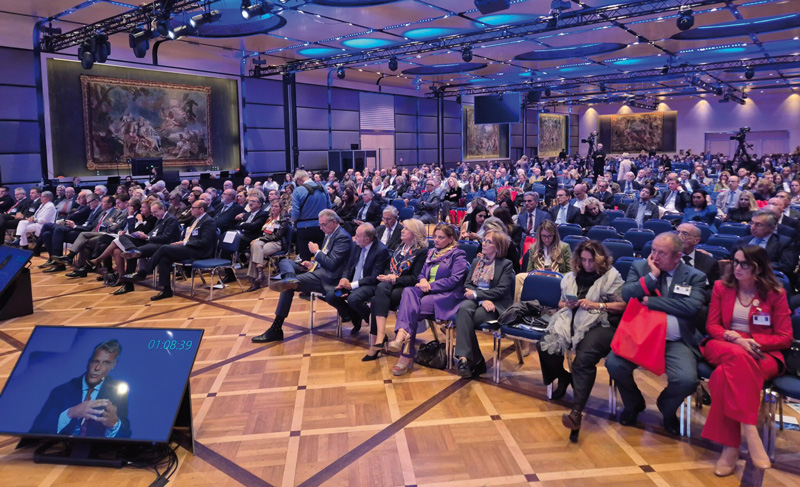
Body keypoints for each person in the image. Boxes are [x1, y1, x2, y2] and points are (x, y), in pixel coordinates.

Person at [702, 246, 792, 476]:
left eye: (744, 263)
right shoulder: (721, 287)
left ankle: (730, 448)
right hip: (724, 345)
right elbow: (712, 326)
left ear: (758, 268)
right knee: (738, 356)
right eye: (735, 261)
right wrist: (736, 340)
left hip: (762, 352)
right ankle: (750, 429)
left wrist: (751, 341)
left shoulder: (775, 294)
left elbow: (784, 337)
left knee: (723, 376)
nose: (737, 267)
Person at [606, 232, 706, 435]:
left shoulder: (694, 276)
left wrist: (651, 302)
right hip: (641, 337)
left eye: (662, 253)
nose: (655, 256)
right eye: (653, 250)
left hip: (676, 341)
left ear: (677, 256)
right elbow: (627, 294)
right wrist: (651, 277)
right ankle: (633, 404)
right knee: (614, 364)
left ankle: (667, 408)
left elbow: (692, 307)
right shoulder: (641, 267)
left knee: (686, 380)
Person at [538, 241, 626, 442]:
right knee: (544, 346)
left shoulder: (612, 277)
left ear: (601, 260)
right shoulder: (571, 276)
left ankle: (576, 412)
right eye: (583, 260)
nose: (587, 264)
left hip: (603, 323)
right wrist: (567, 304)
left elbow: (623, 305)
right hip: (572, 318)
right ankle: (565, 377)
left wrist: (597, 305)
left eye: (591, 261)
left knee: (582, 360)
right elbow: (560, 303)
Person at [253, 209, 352, 343]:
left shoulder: (342, 237)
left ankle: (276, 328)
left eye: (323, 225)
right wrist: (312, 264)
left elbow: (332, 264)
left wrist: (316, 252)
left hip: (328, 278)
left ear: (334, 222)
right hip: (319, 271)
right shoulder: (330, 233)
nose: (321, 228)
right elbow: (326, 259)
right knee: (285, 261)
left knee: (287, 286)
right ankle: (289, 277)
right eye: (320, 225)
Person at [387, 223, 468, 376]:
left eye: (441, 237)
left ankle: (404, 350)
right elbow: (422, 274)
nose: (436, 240)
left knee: (410, 310)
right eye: (435, 236)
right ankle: (403, 337)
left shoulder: (458, 254)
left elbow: (455, 280)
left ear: (451, 239)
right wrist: (423, 280)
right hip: (426, 290)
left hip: (446, 295)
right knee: (408, 291)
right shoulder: (431, 252)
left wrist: (430, 286)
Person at [30, 339, 131, 438]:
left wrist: (114, 424)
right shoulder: (62, 391)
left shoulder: (116, 393)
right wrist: (70, 413)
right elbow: (37, 430)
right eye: (95, 361)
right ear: (89, 362)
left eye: (105, 363)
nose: (97, 368)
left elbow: (126, 434)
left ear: (114, 364)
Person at [122, 200, 216, 300]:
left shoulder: (208, 221)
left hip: (199, 251)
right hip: (189, 247)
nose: (191, 210)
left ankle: (144, 272)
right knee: (164, 258)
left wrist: (184, 243)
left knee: (164, 248)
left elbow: (204, 242)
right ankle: (166, 290)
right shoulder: (196, 220)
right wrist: (182, 242)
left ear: (201, 209)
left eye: (193, 208)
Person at [363, 219, 428, 361]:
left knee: (376, 299)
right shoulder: (400, 247)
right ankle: (379, 337)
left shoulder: (422, 252)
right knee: (380, 291)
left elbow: (415, 278)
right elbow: (389, 267)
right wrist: (387, 276)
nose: (402, 231)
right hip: (391, 284)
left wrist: (394, 279)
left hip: (408, 288)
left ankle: (377, 340)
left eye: (406, 229)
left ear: (415, 233)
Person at [454, 230, 515, 378]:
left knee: (466, 320)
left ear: (498, 247)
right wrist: (480, 298)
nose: (484, 243)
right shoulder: (477, 262)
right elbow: (468, 284)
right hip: (478, 300)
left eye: (489, 242)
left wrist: (478, 295)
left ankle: (474, 360)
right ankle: (465, 359)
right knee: (463, 309)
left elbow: (501, 290)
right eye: (484, 240)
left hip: (495, 304)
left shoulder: (506, 265)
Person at [328, 223, 390, 336]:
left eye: (357, 236)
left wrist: (352, 285)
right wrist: (344, 279)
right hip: (352, 282)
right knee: (332, 296)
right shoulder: (356, 245)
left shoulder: (381, 251)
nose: (354, 238)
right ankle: (355, 316)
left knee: (353, 299)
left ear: (367, 239)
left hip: (369, 285)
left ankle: (373, 323)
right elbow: (349, 266)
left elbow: (374, 277)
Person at [514, 220, 571, 301]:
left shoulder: (564, 247)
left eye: (549, 236)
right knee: (519, 277)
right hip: (538, 277)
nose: (546, 239)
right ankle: (516, 306)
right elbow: (529, 271)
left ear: (555, 235)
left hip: (555, 279)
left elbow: (571, 273)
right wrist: (536, 273)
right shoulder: (534, 247)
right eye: (544, 236)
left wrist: (556, 275)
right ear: (539, 235)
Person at [246, 200, 290, 292]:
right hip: (265, 240)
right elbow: (263, 232)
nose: (273, 208)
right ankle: (259, 274)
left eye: (276, 206)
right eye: (272, 206)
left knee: (256, 251)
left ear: (280, 209)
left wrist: (259, 239)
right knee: (255, 245)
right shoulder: (268, 219)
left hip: (276, 243)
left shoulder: (283, 220)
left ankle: (255, 279)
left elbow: (277, 236)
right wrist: (259, 239)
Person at [292, 170, 329, 261]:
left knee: (305, 259)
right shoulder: (323, 188)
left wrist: (292, 218)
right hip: (321, 227)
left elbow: (295, 213)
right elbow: (329, 207)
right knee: (320, 256)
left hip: (304, 228)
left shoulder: (297, 191)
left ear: (299, 179)